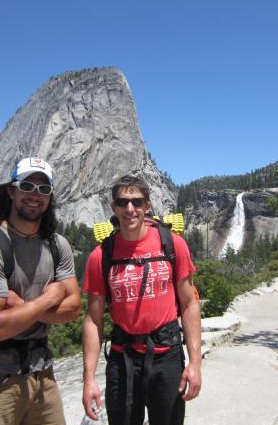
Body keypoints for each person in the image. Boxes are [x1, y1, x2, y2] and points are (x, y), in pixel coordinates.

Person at [0, 156, 81, 425]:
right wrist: (47, 300)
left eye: (43, 189)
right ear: (11, 191)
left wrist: (20, 307)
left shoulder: (56, 244)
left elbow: (73, 308)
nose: (35, 195)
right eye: (27, 186)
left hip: (42, 373)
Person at [82, 175, 202, 425]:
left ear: (147, 206)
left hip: (167, 356)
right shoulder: (100, 256)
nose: (130, 209)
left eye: (136, 201)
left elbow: (190, 304)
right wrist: (89, 379)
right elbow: (93, 320)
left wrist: (194, 364)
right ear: (113, 207)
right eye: (122, 202)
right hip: (122, 359)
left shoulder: (173, 245)